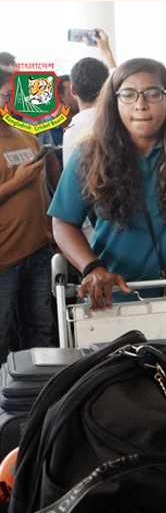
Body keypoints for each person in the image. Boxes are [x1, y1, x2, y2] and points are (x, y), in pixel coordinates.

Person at [49, 58, 166, 310]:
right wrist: (92, 268)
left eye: (152, 94)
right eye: (128, 94)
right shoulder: (88, 154)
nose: (140, 104)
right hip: (114, 298)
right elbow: (63, 222)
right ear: (114, 102)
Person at [0, 68, 56, 359]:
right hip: (4, 258)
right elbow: (22, 183)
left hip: (38, 250)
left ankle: (40, 386)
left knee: (41, 331)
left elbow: (41, 190)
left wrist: (52, 231)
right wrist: (17, 182)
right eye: (7, 95)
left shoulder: (27, 135)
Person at [62, 57, 110, 166]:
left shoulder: (72, 133)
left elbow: (71, 175)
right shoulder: (121, 121)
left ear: (73, 90)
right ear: (107, 87)